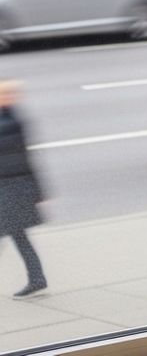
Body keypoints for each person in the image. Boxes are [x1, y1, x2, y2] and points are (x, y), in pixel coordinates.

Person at [0, 81, 48, 298]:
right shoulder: (13, 118)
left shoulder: (8, 122)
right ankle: (37, 278)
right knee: (18, 235)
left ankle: (37, 279)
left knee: (16, 235)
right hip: (13, 187)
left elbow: (22, 157)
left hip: (9, 188)